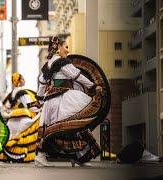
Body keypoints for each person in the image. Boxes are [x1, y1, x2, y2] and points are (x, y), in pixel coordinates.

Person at [35, 36, 109, 167]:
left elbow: (41, 83)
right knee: (76, 123)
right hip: (63, 99)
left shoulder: (47, 65)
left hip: (50, 101)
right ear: (58, 48)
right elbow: (77, 75)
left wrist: (40, 100)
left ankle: (77, 156)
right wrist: (93, 86)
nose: (68, 51)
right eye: (66, 47)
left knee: (58, 129)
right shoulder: (63, 62)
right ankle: (79, 156)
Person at [0, 73, 40, 163]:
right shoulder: (22, 92)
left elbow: (6, 106)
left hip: (13, 119)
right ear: (19, 81)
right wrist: (40, 108)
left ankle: (11, 155)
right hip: (22, 118)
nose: (24, 81)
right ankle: (21, 154)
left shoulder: (12, 93)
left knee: (12, 137)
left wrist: (10, 113)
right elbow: (29, 105)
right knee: (23, 135)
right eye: (23, 79)